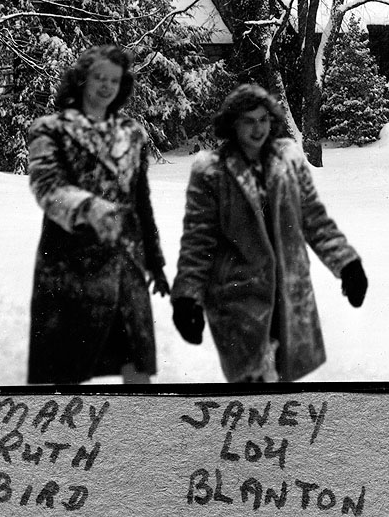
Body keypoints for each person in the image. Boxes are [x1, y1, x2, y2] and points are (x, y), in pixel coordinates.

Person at [170, 83, 368, 383]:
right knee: (253, 390)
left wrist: (347, 264)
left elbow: (314, 219)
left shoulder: (288, 160)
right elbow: (198, 243)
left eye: (263, 119)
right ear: (233, 124)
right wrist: (187, 297)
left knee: (283, 386)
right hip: (239, 301)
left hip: (288, 294)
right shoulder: (211, 173)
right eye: (249, 121)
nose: (258, 128)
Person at [26, 45, 169, 385]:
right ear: (81, 79)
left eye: (114, 80)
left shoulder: (131, 134)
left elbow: (141, 201)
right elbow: (47, 186)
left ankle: (143, 419)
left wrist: (155, 261)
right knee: (68, 370)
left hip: (124, 265)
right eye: (99, 78)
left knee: (136, 367)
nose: (107, 86)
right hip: (71, 267)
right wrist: (90, 209)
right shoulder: (51, 129)